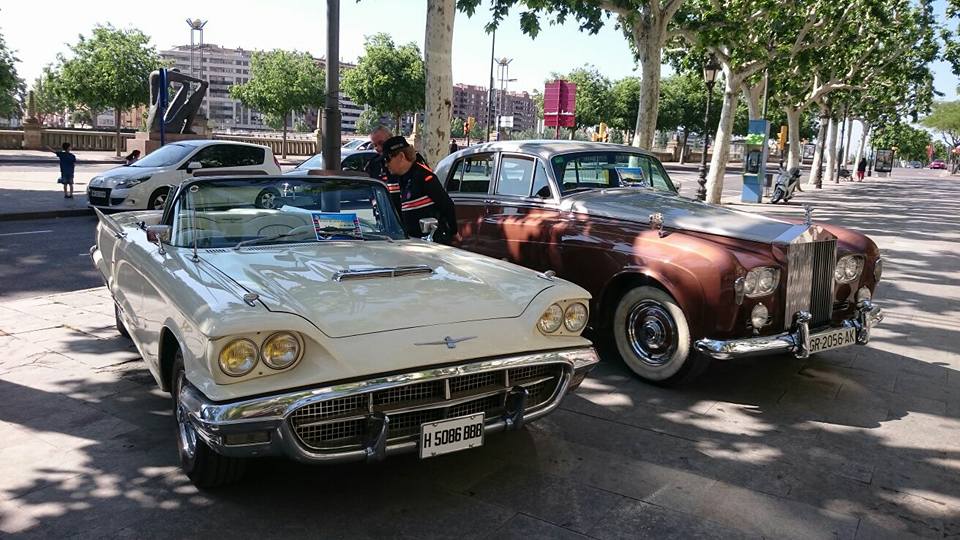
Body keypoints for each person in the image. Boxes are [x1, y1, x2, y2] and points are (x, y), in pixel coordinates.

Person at [382, 136, 457, 244]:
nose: (386, 164)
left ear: (401, 156)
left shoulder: (424, 177)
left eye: (387, 159)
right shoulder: (400, 179)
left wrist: (453, 232)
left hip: (431, 242)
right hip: (410, 242)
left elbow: (447, 205)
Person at [364, 125, 427, 213]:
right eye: (375, 145)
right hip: (385, 215)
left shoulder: (412, 161)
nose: (378, 148)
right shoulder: (374, 164)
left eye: (381, 143)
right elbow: (371, 191)